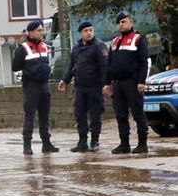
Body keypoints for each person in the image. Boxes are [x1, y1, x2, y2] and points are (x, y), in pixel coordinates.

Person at [104, 10, 150, 154]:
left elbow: (144, 62)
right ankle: (124, 144)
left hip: (132, 83)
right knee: (121, 115)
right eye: (118, 22)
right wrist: (106, 83)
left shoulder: (138, 39)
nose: (121, 25)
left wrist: (141, 81)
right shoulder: (114, 41)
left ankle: (142, 144)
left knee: (138, 114)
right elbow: (109, 64)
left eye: (123, 21)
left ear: (131, 22)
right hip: (117, 84)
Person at [58, 20, 108, 152]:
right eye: (86, 31)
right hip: (81, 87)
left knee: (95, 115)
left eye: (91, 30)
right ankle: (82, 142)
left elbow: (104, 67)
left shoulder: (99, 46)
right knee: (80, 114)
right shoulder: (76, 48)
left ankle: (95, 141)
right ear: (80, 33)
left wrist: (105, 84)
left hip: (95, 86)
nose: (89, 33)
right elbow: (72, 66)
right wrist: (65, 80)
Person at [11, 20, 59, 155]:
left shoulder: (44, 46)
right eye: (39, 30)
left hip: (44, 85)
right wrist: (28, 73)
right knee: (30, 116)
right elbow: (15, 67)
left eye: (42, 30)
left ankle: (46, 144)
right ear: (31, 32)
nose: (42, 32)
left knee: (45, 116)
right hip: (31, 86)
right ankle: (27, 144)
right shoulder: (23, 48)